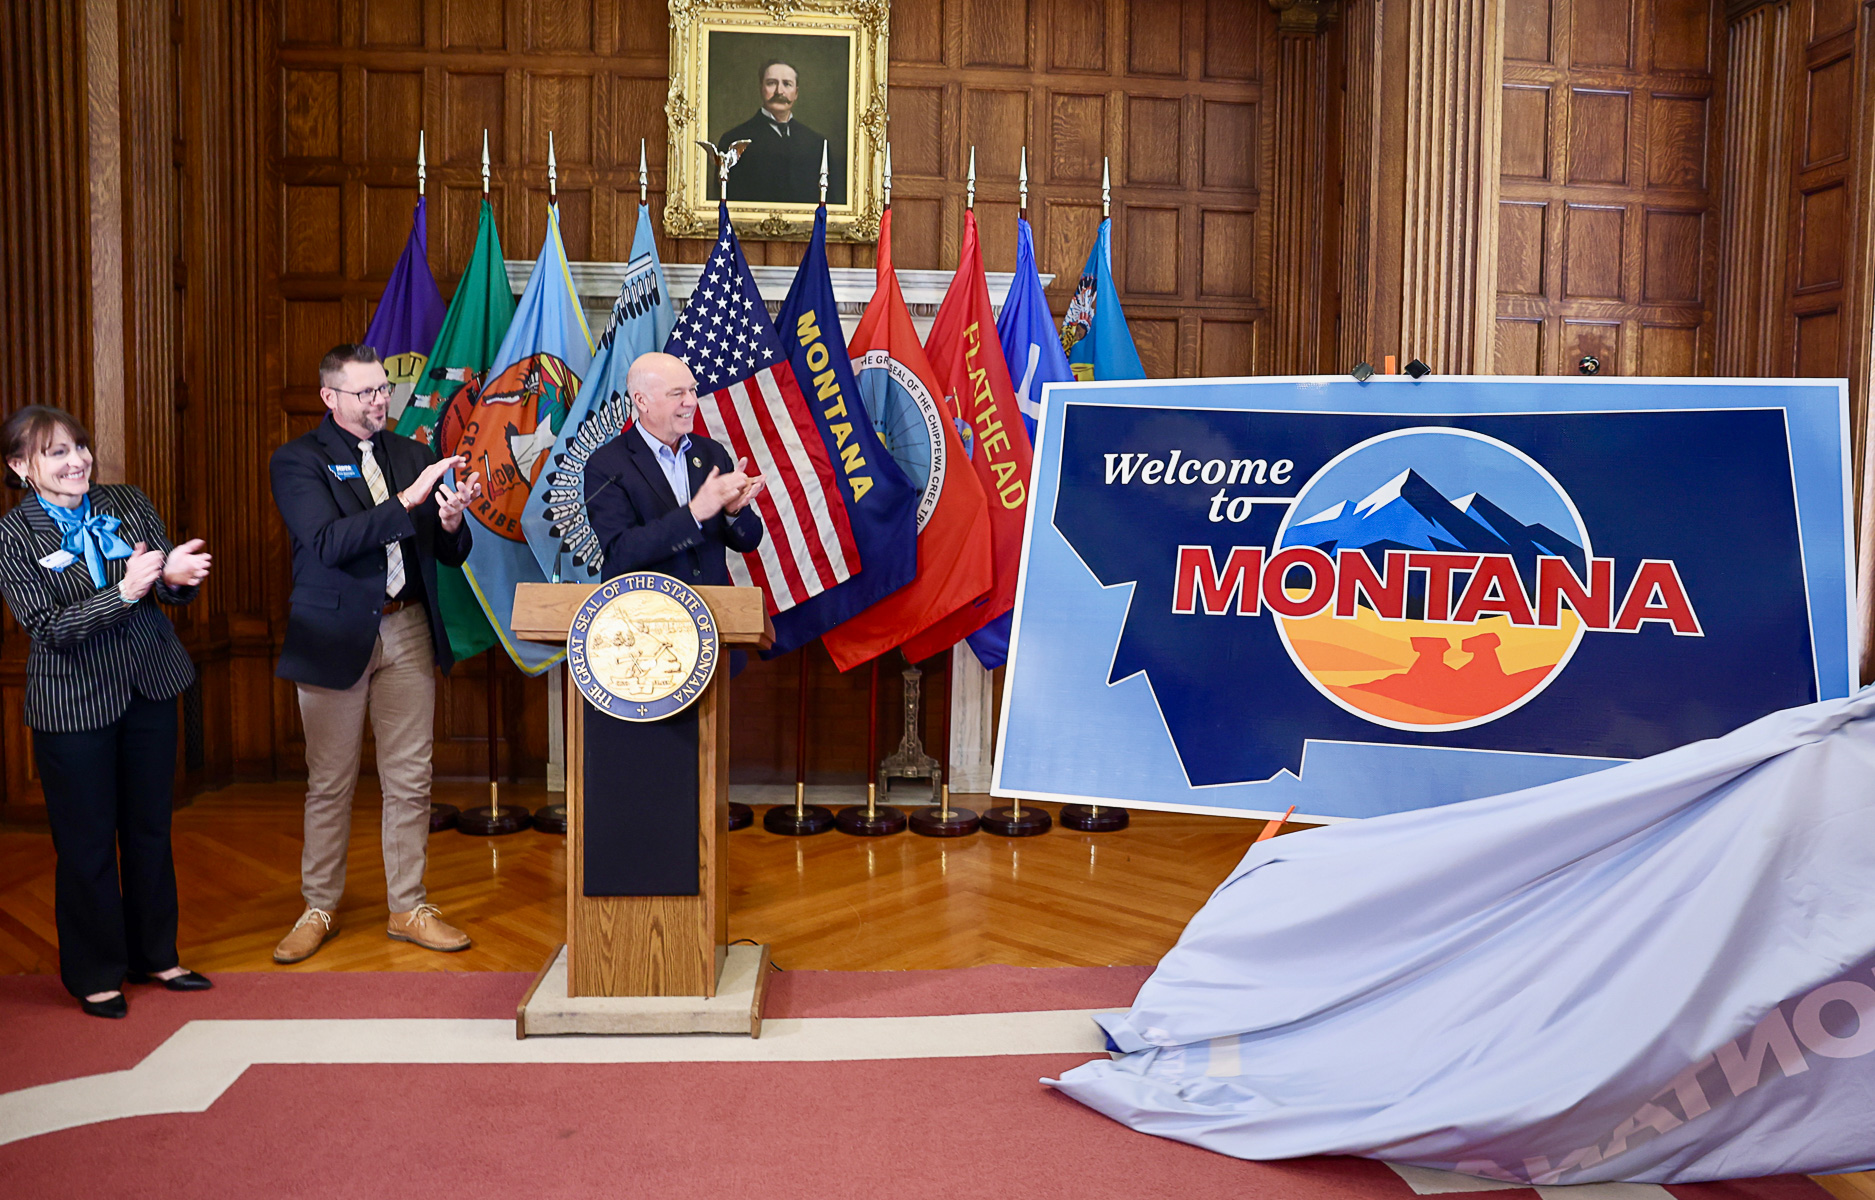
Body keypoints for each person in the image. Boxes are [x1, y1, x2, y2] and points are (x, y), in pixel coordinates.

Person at [268, 344, 482, 964]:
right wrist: (410, 501)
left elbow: (449, 554)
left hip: (407, 626)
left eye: (382, 390)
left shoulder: (412, 454)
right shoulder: (298, 461)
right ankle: (319, 906)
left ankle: (408, 905)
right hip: (334, 635)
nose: (379, 401)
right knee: (330, 782)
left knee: (411, 779)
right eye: (364, 393)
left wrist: (448, 521)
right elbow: (329, 542)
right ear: (330, 398)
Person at [0, 406, 213, 1018]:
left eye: (80, 447)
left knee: (149, 830)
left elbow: (167, 584)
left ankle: (157, 955)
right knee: (87, 844)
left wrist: (176, 577)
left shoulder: (127, 500)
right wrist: (124, 591)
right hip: (73, 705)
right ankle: (95, 972)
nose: (77, 461)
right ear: (21, 467)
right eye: (56, 452)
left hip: (149, 687)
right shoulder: (15, 536)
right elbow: (49, 627)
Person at [583, 351, 765, 586]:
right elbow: (621, 553)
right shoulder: (607, 464)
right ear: (642, 401)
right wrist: (694, 513)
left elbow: (749, 541)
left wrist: (733, 513)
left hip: (711, 614)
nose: (691, 401)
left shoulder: (712, 454)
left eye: (692, 389)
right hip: (643, 613)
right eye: (677, 393)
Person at [715, 58, 843, 204]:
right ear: (761, 88)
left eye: (787, 84)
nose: (779, 91)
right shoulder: (733, 140)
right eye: (771, 83)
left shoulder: (817, 144)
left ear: (796, 93)